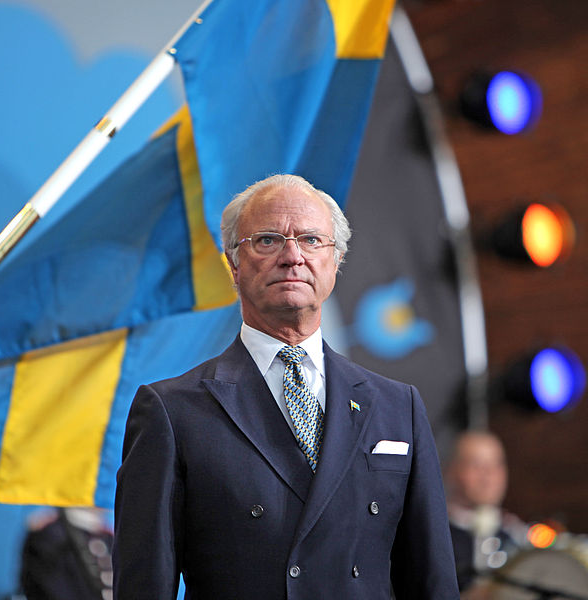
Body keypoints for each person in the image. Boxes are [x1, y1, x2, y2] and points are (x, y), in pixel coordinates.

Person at [113, 174, 459, 599]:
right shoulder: (171, 411)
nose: (292, 256)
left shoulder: (397, 406)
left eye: (312, 240)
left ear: (336, 261)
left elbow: (432, 581)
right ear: (233, 264)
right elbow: (145, 585)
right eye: (267, 240)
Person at [445, 431, 528, 595]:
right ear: (451, 471)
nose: (489, 476)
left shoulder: (516, 535)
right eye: (476, 465)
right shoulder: (434, 534)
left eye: (497, 465)